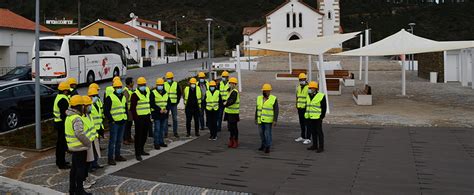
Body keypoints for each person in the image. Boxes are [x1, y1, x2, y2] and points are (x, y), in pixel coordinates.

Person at [65, 95, 92, 195]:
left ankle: (72, 190)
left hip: (72, 147)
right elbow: (79, 133)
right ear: (79, 106)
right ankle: (80, 191)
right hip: (79, 147)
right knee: (80, 169)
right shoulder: (77, 118)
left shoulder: (69, 116)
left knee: (74, 169)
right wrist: (88, 143)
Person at [103, 79, 127, 165]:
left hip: (122, 121)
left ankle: (117, 155)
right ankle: (110, 158)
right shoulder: (110, 98)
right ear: (114, 88)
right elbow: (106, 111)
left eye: (120, 87)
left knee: (119, 140)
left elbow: (125, 108)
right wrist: (111, 120)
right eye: (117, 87)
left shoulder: (123, 97)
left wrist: (125, 117)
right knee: (112, 141)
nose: (119, 88)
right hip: (114, 123)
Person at [130, 77, 152, 161]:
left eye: (144, 84)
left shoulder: (147, 92)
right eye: (141, 85)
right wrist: (136, 119)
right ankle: (137, 153)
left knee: (145, 135)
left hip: (147, 117)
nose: (143, 86)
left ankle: (142, 149)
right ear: (138, 85)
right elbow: (132, 108)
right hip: (139, 118)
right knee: (138, 136)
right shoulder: (135, 94)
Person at [255, 84, 279, 153]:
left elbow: (276, 110)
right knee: (261, 133)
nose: (266, 92)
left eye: (268, 91)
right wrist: (255, 118)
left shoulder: (273, 99)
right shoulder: (259, 98)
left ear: (270, 91)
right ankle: (263, 144)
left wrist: (275, 120)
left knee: (267, 133)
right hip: (260, 119)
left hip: (268, 120)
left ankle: (268, 146)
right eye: (265, 91)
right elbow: (257, 109)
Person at [81, 95, 98, 189]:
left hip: (90, 142)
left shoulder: (88, 114)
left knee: (88, 163)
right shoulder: (80, 117)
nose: (90, 107)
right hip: (85, 144)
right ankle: (83, 180)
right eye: (88, 105)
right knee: (84, 164)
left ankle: (86, 177)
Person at [305, 81, 327, 153]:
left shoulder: (321, 96)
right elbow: (307, 106)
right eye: (309, 88)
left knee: (319, 132)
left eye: (311, 88)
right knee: (313, 132)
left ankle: (321, 147)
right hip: (310, 117)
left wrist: (322, 116)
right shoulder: (308, 96)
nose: (310, 89)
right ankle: (314, 145)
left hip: (317, 118)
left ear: (315, 88)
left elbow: (324, 107)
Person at [53, 81, 71, 169]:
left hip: (58, 122)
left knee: (60, 144)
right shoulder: (63, 99)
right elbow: (64, 114)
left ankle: (60, 161)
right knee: (61, 144)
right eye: (67, 90)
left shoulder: (58, 97)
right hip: (61, 124)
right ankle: (61, 163)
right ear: (65, 91)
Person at [150, 78, 170, 150]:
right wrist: (159, 110)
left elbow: (168, 102)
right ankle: (156, 143)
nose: (160, 86)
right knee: (157, 129)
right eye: (159, 85)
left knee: (162, 129)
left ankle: (161, 142)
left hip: (164, 114)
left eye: (161, 85)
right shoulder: (153, 92)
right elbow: (152, 103)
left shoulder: (165, 93)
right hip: (156, 114)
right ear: (156, 85)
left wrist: (167, 109)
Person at [87, 87, 103, 173]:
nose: (95, 97)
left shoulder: (98, 101)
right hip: (91, 131)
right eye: (93, 95)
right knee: (91, 150)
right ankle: (91, 165)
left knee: (96, 148)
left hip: (98, 128)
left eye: (96, 95)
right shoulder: (88, 105)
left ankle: (95, 163)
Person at [294, 73, 311, 145]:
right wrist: (296, 105)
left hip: (306, 108)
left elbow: (311, 98)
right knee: (302, 123)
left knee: (307, 123)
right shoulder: (298, 88)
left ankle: (308, 138)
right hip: (300, 108)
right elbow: (297, 97)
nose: (301, 81)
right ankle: (303, 136)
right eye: (300, 80)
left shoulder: (309, 88)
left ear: (305, 79)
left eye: (302, 80)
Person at [164, 72, 181, 138]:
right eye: (168, 78)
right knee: (165, 119)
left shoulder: (176, 84)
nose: (169, 79)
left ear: (172, 78)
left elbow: (179, 93)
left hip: (174, 104)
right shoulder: (164, 84)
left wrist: (177, 101)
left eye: (170, 78)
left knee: (175, 119)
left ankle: (175, 132)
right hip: (166, 104)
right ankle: (165, 133)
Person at [224, 77, 240, 148]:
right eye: (230, 83)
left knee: (234, 128)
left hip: (233, 113)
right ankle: (231, 140)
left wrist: (225, 104)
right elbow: (227, 99)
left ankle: (235, 140)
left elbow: (231, 101)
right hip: (228, 112)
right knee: (230, 128)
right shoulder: (229, 91)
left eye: (233, 83)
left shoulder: (234, 92)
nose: (231, 84)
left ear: (235, 84)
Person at [123, 77, 135, 145]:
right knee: (126, 125)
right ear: (130, 83)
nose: (133, 83)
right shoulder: (126, 91)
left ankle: (129, 137)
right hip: (128, 111)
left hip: (131, 110)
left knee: (129, 125)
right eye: (132, 81)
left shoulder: (130, 90)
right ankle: (125, 139)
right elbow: (126, 102)